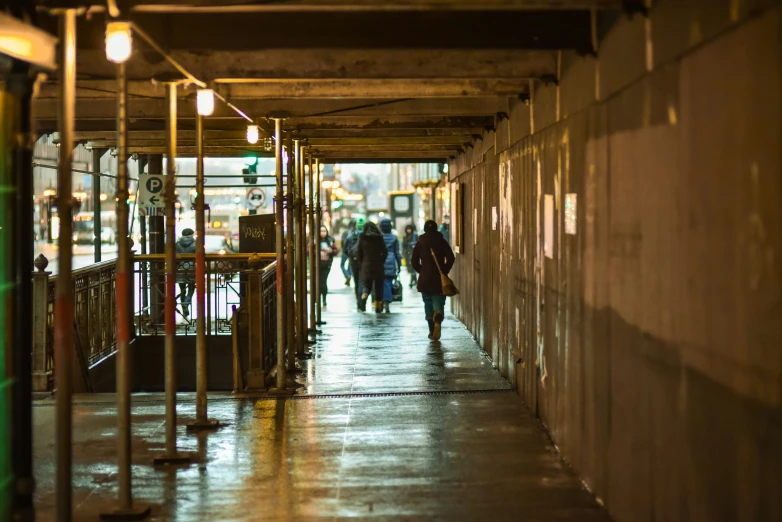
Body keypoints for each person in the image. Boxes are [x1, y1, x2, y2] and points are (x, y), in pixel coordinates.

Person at [411, 220, 455, 341]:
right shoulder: (441, 241)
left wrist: (422, 271)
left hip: (425, 279)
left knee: (428, 303)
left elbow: (414, 261)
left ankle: (431, 330)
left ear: (425, 229)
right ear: (436, 228)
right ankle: (438, 316)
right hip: (438, 278)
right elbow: (451, 257)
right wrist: (444, 270)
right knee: (438, 300)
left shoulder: (420, 242)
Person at [356, 221, 388, 313]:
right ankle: (377, 307)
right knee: (378, 287)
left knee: (367, 285)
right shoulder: (379, 238)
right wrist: (381, 261)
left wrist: (362, 263)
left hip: (366, 266)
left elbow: (359, 253)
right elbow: (385, 251)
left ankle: (363, 299)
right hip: (378, 265)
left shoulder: (362, 238)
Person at [378, 218, 402, 313]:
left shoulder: (379, 237)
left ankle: (380, 302)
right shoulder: (394, 238)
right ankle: (386, 302)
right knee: (387, 283)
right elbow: (397, 253)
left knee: (380, 284)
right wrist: (399, 266)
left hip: (380, 262)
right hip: (391, 261)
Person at [343, 217, 365, 310]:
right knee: (363, 282)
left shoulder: (350, 235)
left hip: (354, 261)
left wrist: (351, 257)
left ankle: (358, 302)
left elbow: (345, 249)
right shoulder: (366, 235)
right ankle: (363, 301)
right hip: (364, 261)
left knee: (356, 282)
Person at [176, 228, 197, 318]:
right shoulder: (195, 244)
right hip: (191, 269)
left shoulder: (177, 244)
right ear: (192, 234)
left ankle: (184, 310)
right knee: (191, 289)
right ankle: (186, 303)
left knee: (182, 290)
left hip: (180, 269)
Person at [318, 225, 338, 307]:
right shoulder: (315, 240)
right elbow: (308, 250)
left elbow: (336, 250)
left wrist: (331, 251)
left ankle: (324, 298)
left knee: (323, 281)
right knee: (317, 282)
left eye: (324, 231)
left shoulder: (330, 240)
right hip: (317, 265)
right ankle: (317, 298)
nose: (323, 233)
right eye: (321, 231)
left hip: (326, 264)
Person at [401, 223, 418, 288]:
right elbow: (403, 246)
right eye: (407, 229)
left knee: (413, 267)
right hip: (407, 254)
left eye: (410, 229)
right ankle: (415, 280)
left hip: (414, 254)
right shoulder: (405, 237)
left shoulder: (415, 236)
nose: (409, 230)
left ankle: (412, 281)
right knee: (410, 268)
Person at [339, 219, 355, 286]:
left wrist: (343, 249)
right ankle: (348, 275)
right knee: (350, 265)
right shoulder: (354, 232)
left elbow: (342, 241)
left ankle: (347, 275)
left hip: (345, 251)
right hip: (352, 251)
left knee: (342, 265)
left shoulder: (345, 232)